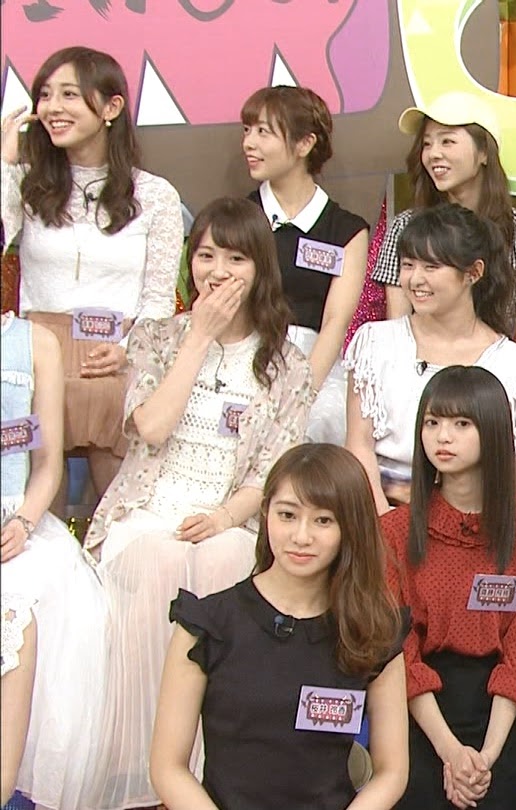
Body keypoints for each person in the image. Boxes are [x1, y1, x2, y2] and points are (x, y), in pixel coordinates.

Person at [84, 197, 313, 809]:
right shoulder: (157, 338)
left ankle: (208, 774)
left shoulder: (287, 364)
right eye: (206, 255)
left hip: (227, 517)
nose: (217, 271)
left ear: (260, 267)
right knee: (157, 561)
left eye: (235, 258)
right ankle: (142, 772)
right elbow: (151, 427)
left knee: (227, 564)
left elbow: (273, 474)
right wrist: (198, 337)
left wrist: (223, 518)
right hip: (148, 511)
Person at [149, 443, 410, 809]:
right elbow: (168, 768)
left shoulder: (373, 631)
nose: (301, 536)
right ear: (266, 513)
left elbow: (392, 771)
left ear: (351, 527)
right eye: (287, 515)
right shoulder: (207, 624)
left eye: (323, 521)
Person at [381, 367, 516, 809]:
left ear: (493, 430)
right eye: (432, 422)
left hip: (504, 714)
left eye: (461, 423)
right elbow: (399, 648)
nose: (442, 437)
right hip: (419, 711)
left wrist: (485, 756)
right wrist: (450, 751)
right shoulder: (391, 533)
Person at [1, 46, 184, 502]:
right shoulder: (26, 184)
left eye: (69, 94)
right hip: (37, 355)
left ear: (111, 107)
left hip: (116, 358)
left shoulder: (154, 194)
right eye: (45, 95)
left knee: (117, 505)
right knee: (36, 503)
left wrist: (127, 350)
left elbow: (159, 298)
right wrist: (5, 164)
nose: (52, 108)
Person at [344, 204, 516, 512]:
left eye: (431, 267)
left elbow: (515, 470)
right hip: (380, 509)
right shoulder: (375, 343)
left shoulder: (513, 364)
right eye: (408, 265)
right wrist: (384, 522)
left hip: (472, 514)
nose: (415, 279)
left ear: (473, 272)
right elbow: (359, 445)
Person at [0, 312, 107, 810]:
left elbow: (46, 465)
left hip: (17, 523)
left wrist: (22, 522)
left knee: (31, 603)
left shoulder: (36, 344)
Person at [240, 85, 369, 445]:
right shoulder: (238, 219)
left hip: (315, 367)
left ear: (304, 144)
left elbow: (335, 322)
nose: (249, 143)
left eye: (263, 132)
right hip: (242, 358)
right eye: (247, 130)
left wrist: (300, 393)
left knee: (321, 423)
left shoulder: (346, 230)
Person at [370, 111, 516, 359]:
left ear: (484, 152)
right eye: (427, 144)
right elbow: (398, 323)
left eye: (447, 141)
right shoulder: (405, 227)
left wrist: (508, 378)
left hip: (494, 373)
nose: (434, 154)